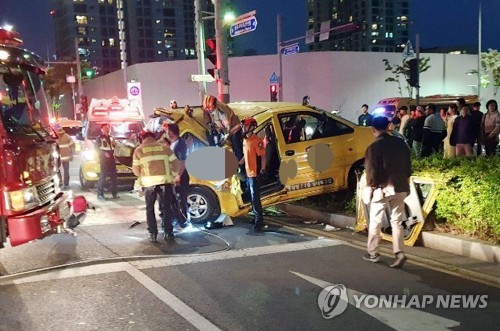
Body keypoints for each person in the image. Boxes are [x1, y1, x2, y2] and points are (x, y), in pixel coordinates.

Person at [362, 116, 411, 268]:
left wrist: (371, 187)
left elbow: (371, 171)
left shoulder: (374, 147)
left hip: (382, 188)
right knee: (397, 222)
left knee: (375, 221)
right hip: (401, 186)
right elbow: (408, 166)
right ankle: (399, 252)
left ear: (373, 129)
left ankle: (373, 252)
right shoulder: (400, 143)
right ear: (389, 126)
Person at [132, 130, 180, 242]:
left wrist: (142, 177)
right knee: (166, 208)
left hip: (149, 184)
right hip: (165, 182)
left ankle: (153, 234)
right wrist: (172, 175)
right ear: (154, 137)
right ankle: (168, 233)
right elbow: (176, 164)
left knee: (150, 209)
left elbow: (135, 170)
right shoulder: (164, 148)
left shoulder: (138, 150)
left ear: (142, 138)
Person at [239, 117, 267, 233]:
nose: (243, 128)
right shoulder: (245, 140)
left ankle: (259, 222)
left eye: (245, 126)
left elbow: (263, 156)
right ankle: (256, 217)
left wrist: (263, 171)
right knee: (251, 197)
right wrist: (239, 163)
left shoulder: (257, 140)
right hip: (248, 172)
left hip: (255, 173)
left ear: (251, 127)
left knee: (256, 199)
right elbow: (246, 155)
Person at [164, 123, 190, 227]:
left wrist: (178, 175)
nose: (166, 133)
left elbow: (182, 161)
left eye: (167, 131)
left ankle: (183, 221)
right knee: (173, 200)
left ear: (171, 132)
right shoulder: (172, 144)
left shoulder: (180, 144)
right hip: (173, 176)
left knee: (181, 200)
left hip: (181, 177)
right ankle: (177, 219)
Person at [202, 95, 243, 162]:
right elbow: (206, 116)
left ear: (215, 105)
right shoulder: (207, 107)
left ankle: (240, 163)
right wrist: (210, 124)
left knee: (235, 142)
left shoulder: (223, 110)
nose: (209, 111)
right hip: (221, 127)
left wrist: (225, 136)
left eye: (211, 109)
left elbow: (227, 126)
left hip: (234, 127)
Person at [95, 123, 118, 200]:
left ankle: (114, 193)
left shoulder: (111, 138)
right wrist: (104, 153)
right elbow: (96, 148)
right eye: (105, 128)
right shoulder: (99, 138)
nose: (107, 130)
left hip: (112, 159)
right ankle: (100, 194)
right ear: (102, 130)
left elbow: (115, 147)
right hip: (104, 160)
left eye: (108, 128)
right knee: (103, 177)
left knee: (114, 177)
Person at [55, 124, 75, 189]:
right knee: (66, 170)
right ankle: (66, 184)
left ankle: (60, 182)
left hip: (57, 157)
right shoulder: (66, 136)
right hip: (66, 157)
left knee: (57, 170)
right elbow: (72, 143)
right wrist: (70, 150)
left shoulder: (56, 138)